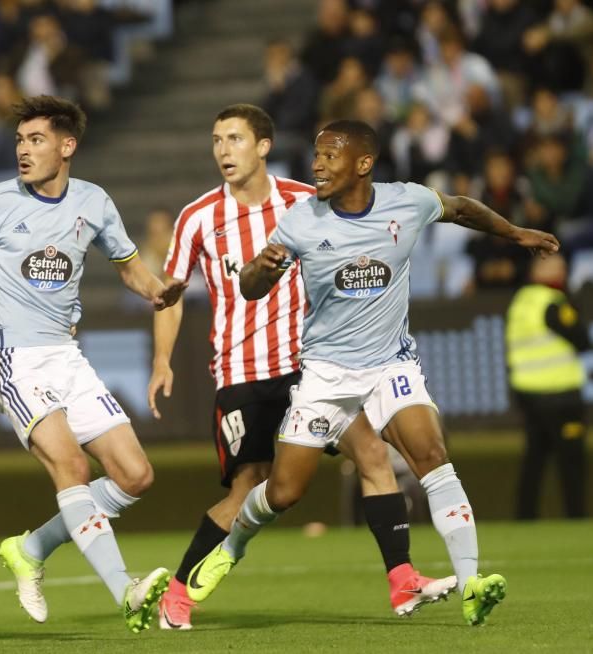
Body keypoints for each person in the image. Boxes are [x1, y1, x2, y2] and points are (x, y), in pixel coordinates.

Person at [188, 119, 560, 626]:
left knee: (430, 452)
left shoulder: (406, 201)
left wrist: (515, 233)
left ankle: (472, 581)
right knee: (283, 491)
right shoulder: (301, 221)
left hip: (390, 364)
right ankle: (232, 549)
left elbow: (462, 208)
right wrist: (263, 268)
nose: (317, 164)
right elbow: (251, 287)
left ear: (363, 164)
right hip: (325, 374)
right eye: (316, 155)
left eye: (330, 155)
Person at [150, 104, 455, 630]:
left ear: (263, 146)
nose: (223, 150)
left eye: (234, 139)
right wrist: (162, 360)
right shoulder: (198, 216)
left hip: (312, 365)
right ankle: (179, 591)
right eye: (217, 139)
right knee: (253, 487)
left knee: (373, 457)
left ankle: (402, 578)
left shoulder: (305, 201)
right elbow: (171, 293)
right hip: (243, 371)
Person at [0, 95, 185, 633]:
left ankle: (31, 548)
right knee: (73, 469)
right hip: (15, 359)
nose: (24, 151)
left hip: (67, 358)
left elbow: (128, 268)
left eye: (36, 140)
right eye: (20, 141)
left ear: (66, 146)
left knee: (135, 474)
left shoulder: (94, 202)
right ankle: (125, 589)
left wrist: (157, 290)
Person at [506, 253, 589, 519]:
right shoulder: (552, 302)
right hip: (560, 394)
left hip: (528, 394)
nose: (564, 271)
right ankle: (577, 517)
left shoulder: (520, 302)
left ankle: (524, 518)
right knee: (572, 463)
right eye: (559, 266)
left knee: (535, 461)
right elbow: (582, 338)